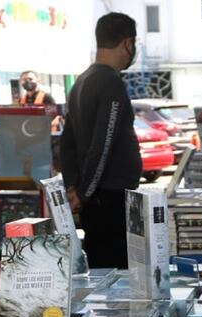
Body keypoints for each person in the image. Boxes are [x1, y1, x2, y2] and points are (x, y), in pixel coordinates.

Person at [60, 12, 142, 269]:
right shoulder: (110, 83)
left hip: (95, 200)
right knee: (116, 279)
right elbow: (103, 144)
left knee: (99, 273)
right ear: (127, 43)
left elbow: (66, 142)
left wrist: (73, 186)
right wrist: (83, 193)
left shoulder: (81, 81)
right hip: (111, 200)